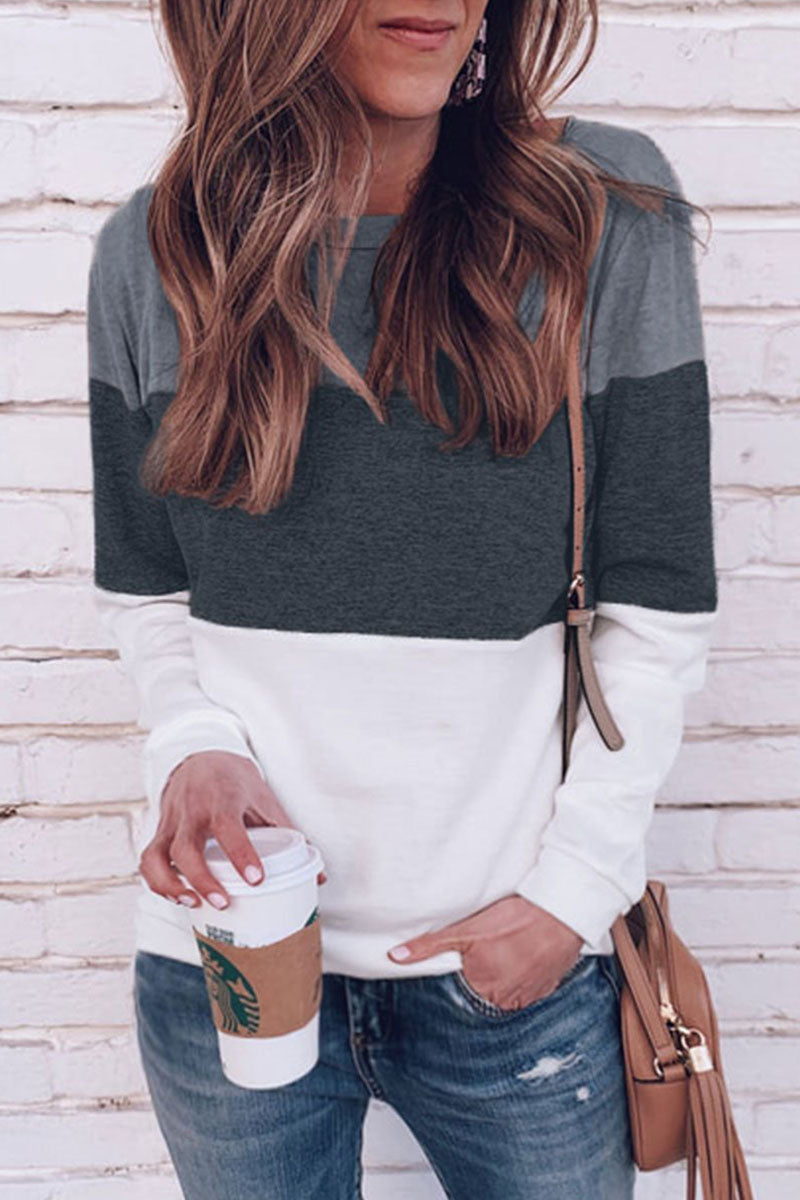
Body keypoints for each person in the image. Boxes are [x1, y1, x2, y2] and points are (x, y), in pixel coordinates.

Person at [86, 1, 718, 1197]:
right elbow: (148, 587)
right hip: (225, 963)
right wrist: (192, 743)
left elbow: (656, 603)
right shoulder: (157, 249)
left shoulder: (596, 216)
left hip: (513, 976)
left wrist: (569, 897)